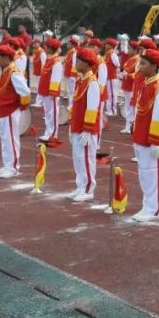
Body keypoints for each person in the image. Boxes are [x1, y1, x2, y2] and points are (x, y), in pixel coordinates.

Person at [130, 48, 159, 222]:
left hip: (151, 140)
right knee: (144, 174)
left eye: (143, 63)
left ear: (154, 66)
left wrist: (155, 142)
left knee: (154, 174)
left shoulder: (158, 87)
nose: (139, 66)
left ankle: (154, 209)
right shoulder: (146, 83)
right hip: (141, 137)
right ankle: (147, 205)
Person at [0, 43, 31, 178]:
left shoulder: (13, 72)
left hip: (10, 110)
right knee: (5, 139)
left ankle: (13, 167)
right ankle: (7, 165)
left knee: (11, 139)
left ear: (7, 59)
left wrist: (21, 106)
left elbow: (25, 91)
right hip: (3, 110)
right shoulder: (6, 71)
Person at [68, 47, 102, 202]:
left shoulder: (92, 83)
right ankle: (80, 186)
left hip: (85, 128)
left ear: (87, 64)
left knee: (86, 159)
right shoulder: (80, 81)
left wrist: (87, 130)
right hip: (77, 126)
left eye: (79, 61)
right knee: (78, 158)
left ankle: (88, 188)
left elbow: (92, 108)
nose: (76, 63)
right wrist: (72, 125)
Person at [37, 37, 65, 144]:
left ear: (50, 48)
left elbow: (55, 78)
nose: (45, 47)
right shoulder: (50, 59)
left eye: (47, 46)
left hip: (51, 92)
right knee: (48, 113)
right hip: (45, 91)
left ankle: (53, 134)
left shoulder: (56, 61)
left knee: (52, 112)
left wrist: (52, 92)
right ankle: (48, 132)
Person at [118, 40, 140, 133]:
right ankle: (128, 126)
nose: (128, 50)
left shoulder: (137, 60)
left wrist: (128, 75)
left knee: (132, 108)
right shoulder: (129, 59)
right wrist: (121, 75)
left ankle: (132, 126)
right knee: (128, 107)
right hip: (127, 86)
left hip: (132, 87)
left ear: (135, 50)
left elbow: (137, 74)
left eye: (130, 48)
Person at [102, 38, 120, 116]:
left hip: (112, 77)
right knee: (109, 94)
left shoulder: (112, 54)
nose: (105, 46)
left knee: (112, 94)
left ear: (110, 46)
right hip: (108, 77)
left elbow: (117, 64)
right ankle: (109, 109)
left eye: (107, 44)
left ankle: (113, 111)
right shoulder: (107, 54)